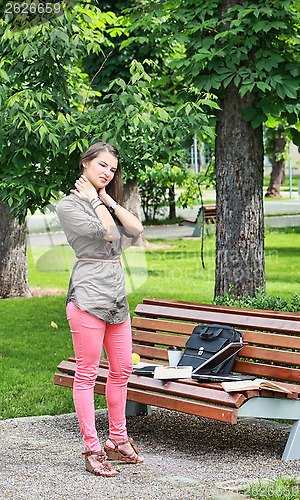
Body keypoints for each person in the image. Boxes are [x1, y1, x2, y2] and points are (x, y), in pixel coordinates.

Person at [56, 141, 144, 477]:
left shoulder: (104, 200)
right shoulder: (68, 206)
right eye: (102, 165)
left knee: (122, 368)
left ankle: (117, 440)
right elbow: (109, 233)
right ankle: (93, 447)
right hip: (88, 294)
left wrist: (105, 199)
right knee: (88, 373)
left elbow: (134, 229)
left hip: (116, 295)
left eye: (112, 168)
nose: (107, 172)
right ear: (85, 164)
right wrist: (94, 201)